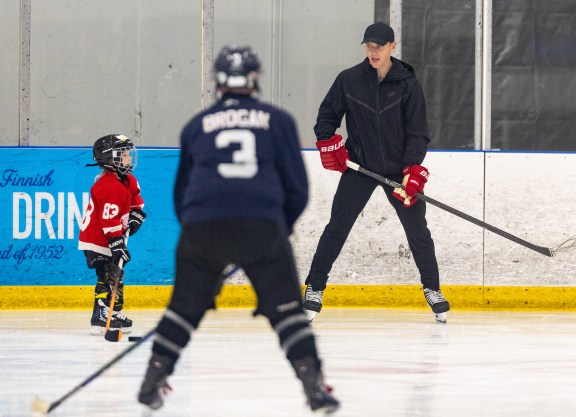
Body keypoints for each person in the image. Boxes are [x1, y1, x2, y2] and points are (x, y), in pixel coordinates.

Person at [137, 45, 339, 414]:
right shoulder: (277, 120)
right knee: (289, 312)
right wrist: (277, 229)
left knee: (182, 309)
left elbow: (182, 195)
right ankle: (314, 388)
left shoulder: (196, 125)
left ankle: (152, 380)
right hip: (262, 224)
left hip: (203, 226)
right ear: (255, 79)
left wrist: (204, 243)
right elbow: (297, 188)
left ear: (218, 83)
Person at [303, 22, 450, 324]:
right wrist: (329, 143)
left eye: (379, 45)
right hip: (360, 167)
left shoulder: (407, 83)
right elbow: (326, 116)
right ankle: (314, 287)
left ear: (392, 46)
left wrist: (412, 170)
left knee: (418, 232)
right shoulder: (349, 80)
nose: (373, 50)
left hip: (398, 172)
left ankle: (433, 289)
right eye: (369, 45)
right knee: (337, 227)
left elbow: (418, 131)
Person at [78, 134, 147, 334]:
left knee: (117, 273)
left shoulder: (128, 180)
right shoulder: (108, 186)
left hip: (111, 237)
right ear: (110, 159)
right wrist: (117, 242)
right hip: (97, 241)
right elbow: (108, 220)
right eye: (123, 154)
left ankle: (112, 312)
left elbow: (136, 200)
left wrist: (136, 215)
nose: (128, 157)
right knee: (108, 273)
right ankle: (99, 315)